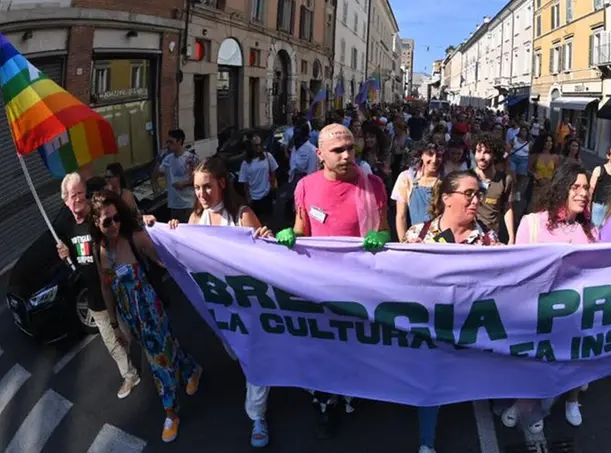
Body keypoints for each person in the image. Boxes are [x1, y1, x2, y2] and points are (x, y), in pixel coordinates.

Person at [275, 123, 391, 437]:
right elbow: (301, 230)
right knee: (323, 345)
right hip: (318, 287)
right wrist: (290, 236)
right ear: (320, 154)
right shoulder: (305, 187)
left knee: (353, 344)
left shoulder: (374, 185)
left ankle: (352, 390)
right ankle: (324, 401)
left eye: (350, 149)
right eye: (337, 150)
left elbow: (385, 230)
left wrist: (379, 237)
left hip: (359, 286)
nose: (346, 156)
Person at [169, 157, 272, 447]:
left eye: (207, 187)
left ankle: (257, 416)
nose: (201, 194)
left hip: (248, 305)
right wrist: (168, 231)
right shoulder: (193, 220)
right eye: (197, 188)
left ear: (222, 184)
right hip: (218, 307)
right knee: (235, 351)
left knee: (254, 360)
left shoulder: (242, 215)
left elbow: (267, 260)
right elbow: (180, 258)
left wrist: (269, 238)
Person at [90, 190, 201, 443]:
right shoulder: (101, 251)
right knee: (168, 348)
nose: (114, 224)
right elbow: (106, 288)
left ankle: (171, 413)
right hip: (132, 320)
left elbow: (163, 260)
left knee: (158, 362)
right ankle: (192, 369)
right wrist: (115, 324)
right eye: (107, 221)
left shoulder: (133, 239)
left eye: (117, 218)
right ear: (97, 222)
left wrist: (167, 231)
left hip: (152, 312)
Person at [403, 170, 498, 453]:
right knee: (430, 383)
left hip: (470, 330)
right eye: (468, 194)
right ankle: (426, 442)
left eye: (478, 194)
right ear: (446, 198)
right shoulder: (417, 235)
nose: (475, 200)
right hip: (431, 327)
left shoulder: (489, 240)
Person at [502, 162, 598, 432]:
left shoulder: (591, 232)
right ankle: (521, 403)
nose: (582, 193)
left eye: (586, 188)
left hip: (571, 319)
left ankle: (539, 409)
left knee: (558, 369)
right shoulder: (532, 223)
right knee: (531, 364)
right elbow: (518, 271)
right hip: (536, 314)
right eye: (575, 187)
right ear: (560, 188)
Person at [56, 173, 141, 400]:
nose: (78, 199)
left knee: (129, 332)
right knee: (112, 342)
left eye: (81, 193)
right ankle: (130, 375)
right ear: (66, 200)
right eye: (73, 195)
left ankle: (151, 355)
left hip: (116, 290)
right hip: (95, 299)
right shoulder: (66, 226)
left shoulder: (97, 218)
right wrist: (65, 254)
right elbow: (72, 258)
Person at [392, 138, 443, 239]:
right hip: (415, 238)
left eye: (439, 156)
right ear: (422, 155)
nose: (434, 160)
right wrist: (404, 243)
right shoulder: (407, 177)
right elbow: (401, 217)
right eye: (430, 154)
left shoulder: (445, 180)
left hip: (439, 239)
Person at [473, 133, 516, 244]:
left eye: (487, 152)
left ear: (495, 155)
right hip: (470, 237)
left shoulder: (505, 180)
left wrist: (511, 237)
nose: (481, 157)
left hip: (492, 237)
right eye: (478, 151)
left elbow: (508, 208)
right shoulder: (466, 178)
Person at [153, 129, 199, 223]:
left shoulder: (190, 158)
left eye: (171, 142)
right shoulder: (168, 159)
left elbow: (198, 179)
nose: (168, 145)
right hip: (174, 204)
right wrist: (158, 159)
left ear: (179, 141)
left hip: (188, 204)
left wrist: (183, 184)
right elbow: (156, 174)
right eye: (167, 142)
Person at [239, 135, 279, 225]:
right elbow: (245, 183)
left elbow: (273, 173)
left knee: (266, 223)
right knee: (256, 224)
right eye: (255, 145)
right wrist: (248, 198)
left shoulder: (267, 157)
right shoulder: (245, 163)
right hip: (254, 199)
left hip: (266, 195)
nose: (258, 147)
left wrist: (273, 190)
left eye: (259, 145)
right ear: (250, 147)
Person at [589, 144, 611, 227]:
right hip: (598, 207)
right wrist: (588, 208)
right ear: (608, 156)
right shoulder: (599, 170)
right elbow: (590, 190)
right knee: (595, 233)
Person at [527, 135, 560, 213]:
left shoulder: (555, 157)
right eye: (547, 141)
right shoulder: (535, 155)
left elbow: (557, 171)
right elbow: (528, 169)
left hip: (549, 187)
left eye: (551, 141)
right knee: (534, 209)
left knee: (546, 209)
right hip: (537, 186)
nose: (549, 143)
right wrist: (534, 174)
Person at [509, 126, 532, 203]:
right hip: (513, 158)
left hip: (524, 160)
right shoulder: (514, 139)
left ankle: (517, 191)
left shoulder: (529, 142)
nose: (523, 132)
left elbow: (530, 154)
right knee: (513, 177)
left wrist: (529, 164)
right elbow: (509, 147)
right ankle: (512, 190)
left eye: (525, 131)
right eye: (522, 131)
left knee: (521, 177)